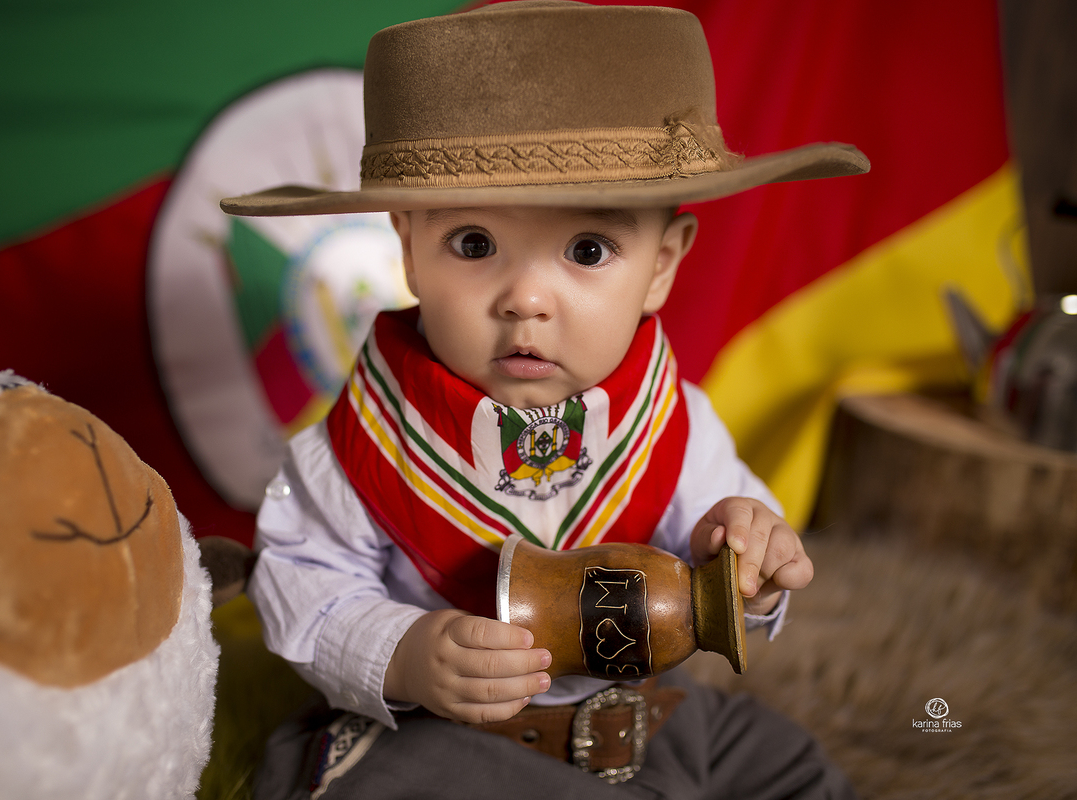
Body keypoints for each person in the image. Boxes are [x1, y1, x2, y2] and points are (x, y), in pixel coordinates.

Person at [223, 2, 868, 796]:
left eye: (588, 250)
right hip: (448, 734)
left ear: (662, 266)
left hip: (636, 713)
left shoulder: (676, 423)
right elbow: (300, 582)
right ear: (408, 249)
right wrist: (403, 651)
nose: (526, 298)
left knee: (788, 763)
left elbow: (731, 547)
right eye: (474, 244)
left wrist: (748, 553)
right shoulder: (357, 446)